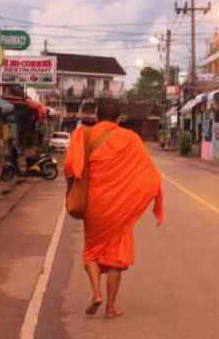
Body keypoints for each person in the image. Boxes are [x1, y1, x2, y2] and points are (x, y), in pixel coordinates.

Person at [64, 99, 164, 319]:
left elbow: (71, 167)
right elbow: (147, 172)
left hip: (94, 204)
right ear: (119, 119)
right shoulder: (130, 138)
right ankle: (110, 307)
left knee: (91, 250)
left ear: (97, 116)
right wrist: (152, 193)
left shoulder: (84, 135)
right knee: (116, 257)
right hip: (119, 206)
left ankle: (96, 293)